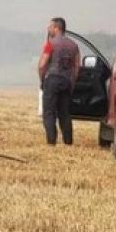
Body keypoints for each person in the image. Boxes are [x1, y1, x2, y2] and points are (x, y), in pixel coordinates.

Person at [37, 17, 80, 145]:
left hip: (52, 79)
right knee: (64, 114)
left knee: (49, 112)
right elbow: (77, 67)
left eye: (50, 27)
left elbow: (42, 65)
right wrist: (72, 82)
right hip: (66, 81)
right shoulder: (74, 46)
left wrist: (42, 80)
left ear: (57, 28)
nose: (48, 29)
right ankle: (68, 142)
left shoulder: (50, 44)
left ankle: (51, 142)